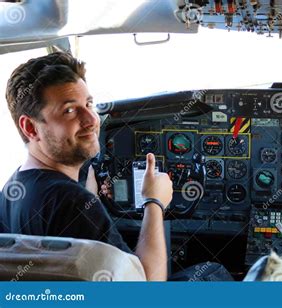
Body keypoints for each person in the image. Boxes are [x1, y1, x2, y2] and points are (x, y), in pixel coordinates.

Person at [0, 52, 173, 281]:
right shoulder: (72, 203)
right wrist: (154, 201)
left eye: (89, 104)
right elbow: (147, 290)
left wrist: (91, 193)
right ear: (30, 128)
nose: (91, 119)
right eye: (70, 110)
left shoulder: (13, 188)